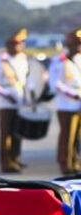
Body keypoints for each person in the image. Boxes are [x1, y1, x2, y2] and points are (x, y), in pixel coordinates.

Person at [0, 29, 29, 174]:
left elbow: (26, 80)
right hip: (6, 103)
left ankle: (15, 159)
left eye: (19, 44)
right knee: (6, 134)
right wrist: (7, 95)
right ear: (8, 45)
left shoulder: (23, 59)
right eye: (13, 44)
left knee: (18, 133)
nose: (17, 47)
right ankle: (6, 163)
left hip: (20, 101)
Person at [50, 29, 81, 175]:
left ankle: (74, 163)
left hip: (78, 105)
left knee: (76, 136)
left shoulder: (79, 60)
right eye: (76, 44)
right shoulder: (59, 61)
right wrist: (73, 94)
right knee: (67, 136)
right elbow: (55, 84)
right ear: (70, 45)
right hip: (66, 105)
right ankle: (65, 163)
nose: (79, 47)